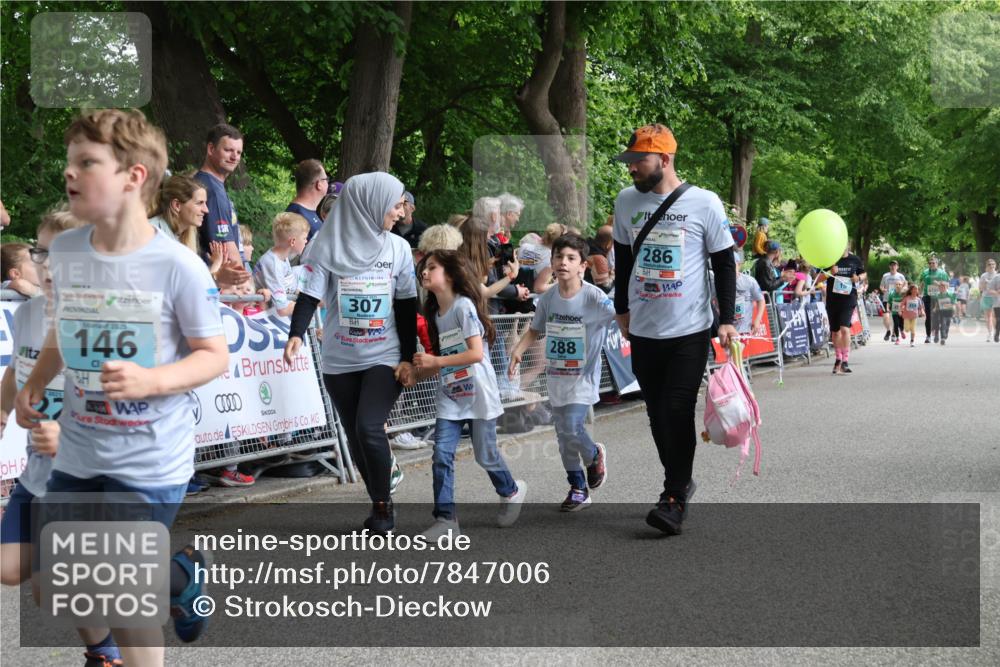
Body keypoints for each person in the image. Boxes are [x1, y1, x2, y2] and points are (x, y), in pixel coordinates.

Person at [14, 109, 227, 663]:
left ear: (134, 176)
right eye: (69, 162)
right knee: (58, 588)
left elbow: (213, 357)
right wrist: (36, 382)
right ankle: (179, 576)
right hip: (79, 456)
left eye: (87, 162)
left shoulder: (178, 266)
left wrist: (152, 378)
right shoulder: (67, 252)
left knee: (123, 601)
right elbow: (65, 328)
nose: (70, 172)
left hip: (148, 461)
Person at [0, 207, 125, 666]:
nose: (47, 266)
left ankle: (104, 653)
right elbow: (19, 366)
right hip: (38, 476)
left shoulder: (106, 323)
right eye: (40, 252)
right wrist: (2, 406)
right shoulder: (29, 313)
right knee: (12, 571)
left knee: (58, 583)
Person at [611, 124, 736, 535]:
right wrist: (622, 309)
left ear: (664, 160)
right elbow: (625, 259)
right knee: (655, 413)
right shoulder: (626, 202)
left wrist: (728, 319)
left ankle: (673, 495)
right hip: (644, 328)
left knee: (677, 409)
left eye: (638, 161)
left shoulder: (704, 203)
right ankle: (680, 480)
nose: (631, 169)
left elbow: (723, 263)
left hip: (689, 329)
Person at [284, 172, 417, 535]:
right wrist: (297, 333)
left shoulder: (398, 248)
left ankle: (383, 507)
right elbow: (310, 294)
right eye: (395, 204)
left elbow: (406, 306)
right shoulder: (324, 246)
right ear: (369, 204)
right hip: (340, 357)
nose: (400, 211)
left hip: (384, 352)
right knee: (356, 435)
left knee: (368, 426)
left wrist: (407, 356)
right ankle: (379, 493)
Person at [412, 250, 526, 538]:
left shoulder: (463, 307)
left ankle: (511, 490)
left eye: (432, 268)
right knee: (441, 455)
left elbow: (475, 354)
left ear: (449, 274)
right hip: (451, 393)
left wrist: (435, 362)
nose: (424, 272)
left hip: (478, 392)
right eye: (423, 268)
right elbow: (441, 356)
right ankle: (446, 519)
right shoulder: (434, 312)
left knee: (485, 455)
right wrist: (416, 372)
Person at [508, 234, 613, 511]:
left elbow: (619, 317)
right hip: (557, 377)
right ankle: (578, 487)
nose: (563, 262)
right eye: (558, 257)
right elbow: (535, 329)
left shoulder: (594, 297)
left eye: (571, 258)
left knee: (572, 426)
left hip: (583, 377)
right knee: (563, 435)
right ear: (552, 262)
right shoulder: (548, 299)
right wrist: (519, 350)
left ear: (583, 266)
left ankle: (592, 456)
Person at [195, 123, 244, 262]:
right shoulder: (212, 190)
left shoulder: (207, 183)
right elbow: (227, 251)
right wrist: (246, 282)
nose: (234, 157)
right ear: (211, 149)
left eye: (239, 152)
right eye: (228, 150)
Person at [253, 212, 310, 317]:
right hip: (265, 315)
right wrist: (307, 304)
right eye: (304, 238)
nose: (306, 241)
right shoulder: (273, 264)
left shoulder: (282, 258)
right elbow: (282, 309)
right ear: (292, 241)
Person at [824, 246, 866, 374]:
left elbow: (864, 273)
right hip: (833, 299)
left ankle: (845, 361)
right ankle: (838, 359)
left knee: (845, 328)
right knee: (835, 331)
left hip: (848, 298)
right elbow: (817, 277)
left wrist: (858, 278)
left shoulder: (854, 259)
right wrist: (830, 273)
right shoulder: (830, 259)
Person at [286, 159, 328, 241]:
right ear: (318, 184)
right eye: (326, 179)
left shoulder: (306, 212)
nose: (328, 183)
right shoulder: (296, 216)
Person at [733, 250, 767, 337]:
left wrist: (758, 319)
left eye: (733, 265)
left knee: (737, 350)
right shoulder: (717, 282)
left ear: (739, 265)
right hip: (726, 328)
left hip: (743, 328)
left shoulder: (749, 281)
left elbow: (761, 300)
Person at [917, 256, 949, 344]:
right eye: (930, 263)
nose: (931, 264)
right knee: (929, 317)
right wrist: (918, 294)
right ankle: (928, 336)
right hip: (927, 296)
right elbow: (921, 284)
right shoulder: (925, 272)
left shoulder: (942, 273)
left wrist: (938, 284)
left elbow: (947, 285)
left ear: (937, 264)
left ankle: (939, 334)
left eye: (933, 263)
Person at [879, 260, 906, 341]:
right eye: (891, 265)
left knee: (896, 317)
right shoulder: (885, 276)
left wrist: (903, 290)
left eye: (894, 265)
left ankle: (894, 334)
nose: (893, 266)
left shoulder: (900, 276)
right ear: (889, 266)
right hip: (887, 298)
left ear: (897, 267)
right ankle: (888, 331)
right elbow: (881, 286)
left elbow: (905, 285)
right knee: (885, 317)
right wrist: (882, 289)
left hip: (897, 299)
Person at [931, 280, 956, 345]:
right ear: (939, 288)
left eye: (943, 287)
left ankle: (945, 334)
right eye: (940, 288)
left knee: (947, 324)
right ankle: (942, 338)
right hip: (941, 311)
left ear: (946, 287)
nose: (941, 289)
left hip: (949, 311)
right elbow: (937, 302)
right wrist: (935, 308)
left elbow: (953, 303)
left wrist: (954, 309)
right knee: (942, 323)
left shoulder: (950, 294)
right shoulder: (938, 295)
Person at [980, 258, 998, 342]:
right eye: (989, 264)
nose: (991, 266)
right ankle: (990, 333)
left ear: (995, 265)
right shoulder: (984, 275)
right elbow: (980, 288)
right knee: (988, 317)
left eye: (992, 264)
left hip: (996, 298)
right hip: (986, 297)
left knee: (996, 316)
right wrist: (985, 283)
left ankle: (996, 332)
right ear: (986, 266)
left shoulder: (998, 275)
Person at [887, 277, 906, 344]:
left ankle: (902, 330)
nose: (898, 285)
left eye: (899, 284)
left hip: (902, 312)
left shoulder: (904, 293)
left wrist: (902, 309)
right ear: (895, 285)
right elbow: (889, 302)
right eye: (897, 284)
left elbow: (906, 302)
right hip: (895, 312)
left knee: (901, 323)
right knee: (896, 324)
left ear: (902, 285)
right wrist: (887, 308)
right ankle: (897, 338)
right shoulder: (891, 293)